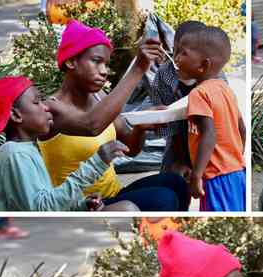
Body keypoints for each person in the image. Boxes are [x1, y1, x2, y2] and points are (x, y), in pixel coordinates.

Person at [39, 20, 190, 211]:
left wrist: (140, 127)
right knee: (163, 199)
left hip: (113, 194)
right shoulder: (51, 109)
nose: (104, 71)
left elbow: (131, 149)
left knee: (176, 183)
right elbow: (91, 125)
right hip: (82, 204)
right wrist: (138, 69)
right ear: (70, 61)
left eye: (106, 64)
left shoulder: (99, 97)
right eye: (96, 61)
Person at [0, 76, 137, 211]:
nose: (46, 106)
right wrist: (96, 163)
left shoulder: (27, 149)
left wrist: (81, 205)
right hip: (33, 230)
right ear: (16, 115)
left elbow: (44, 200)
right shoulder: (15, 154)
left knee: (126, 208)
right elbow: (41, 210)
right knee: (127, 209)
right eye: (37, 102)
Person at [175, 26, 246, 211]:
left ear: (203, 65)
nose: (176, 58)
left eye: (183, 53)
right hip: (236, 173)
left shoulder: (199, 93)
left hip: (215, 177)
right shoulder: (225, 89)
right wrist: (235, 159)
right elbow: (242, 128)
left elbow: (209, 134)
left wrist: (197, 176)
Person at [150, 20, 206, 174]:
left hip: (208, 140)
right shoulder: (164, 74)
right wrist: (180, 161)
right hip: (178, 142)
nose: (177, 58)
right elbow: (170, 127)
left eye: (185, 53)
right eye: (175, 51)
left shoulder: (214, 78)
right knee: (172, 181)